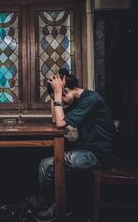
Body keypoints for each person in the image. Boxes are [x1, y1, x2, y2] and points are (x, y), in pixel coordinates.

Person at [29, 72, 115, 222]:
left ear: (66, 91)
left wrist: (57, 92)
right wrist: (55, 93)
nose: (62, 102)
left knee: (46, 165)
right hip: (87, 149)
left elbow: (61, 123)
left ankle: (55, 207)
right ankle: (55, 203)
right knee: (48, 161)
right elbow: (56, 118)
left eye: (62, 96)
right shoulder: (78, 99)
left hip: (98, 154)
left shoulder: (91, 99)